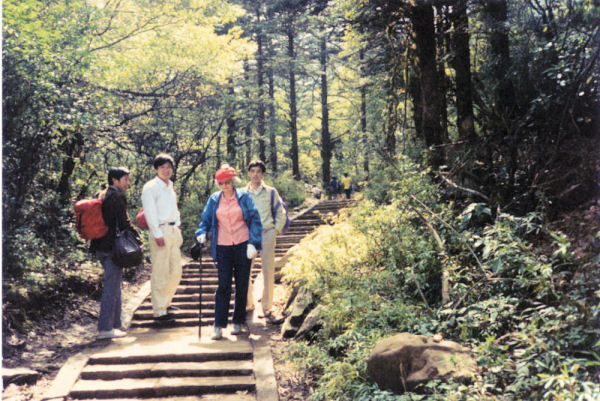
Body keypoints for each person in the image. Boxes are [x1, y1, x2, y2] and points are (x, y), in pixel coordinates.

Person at [196, 165, 262, 340]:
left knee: (242, 285)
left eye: (227, 182)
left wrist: (253, 243)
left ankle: (238, 321)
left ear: (233, 181)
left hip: (242, 244)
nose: (224, 186)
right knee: (223, 285)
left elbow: (255, 219)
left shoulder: (244, 197)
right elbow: (206, 219)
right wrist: (201, 233)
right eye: (221, 183)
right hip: (223, 246)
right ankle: (218, 324)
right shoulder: (214, 199)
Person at [91, 167, 141, 340]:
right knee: (111, 288)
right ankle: (104, 328)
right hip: (112, 248)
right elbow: (124, 222)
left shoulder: (100, 194)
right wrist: (137, 236)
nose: (128, 183)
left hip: (100, 247)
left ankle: (115, 325)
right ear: (115, 180)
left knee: (115, 284)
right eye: (125, 179)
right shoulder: (117, 197)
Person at [141, 153, 183, 323]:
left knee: (175, 271)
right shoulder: (150, 187)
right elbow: (150, 212)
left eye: (168, 167)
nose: (166, 170)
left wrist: (178, 226)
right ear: (156, 169)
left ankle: (165, 303)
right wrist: (157, 233)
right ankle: (159, 311)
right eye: (162, 167)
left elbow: (174, 209)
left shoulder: (170, 187)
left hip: (173, 230)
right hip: (160, 231)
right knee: (160, 272)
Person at [243, 160, 287, 321]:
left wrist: (276, 229)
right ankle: (248, 304)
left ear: (263, 174)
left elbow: (281, 211)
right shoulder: (242, 192)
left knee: (268, 270)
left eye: (258, 171)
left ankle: (267, 307)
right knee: (244, 270)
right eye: (252, 171)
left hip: (267, 233)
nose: (255, 174)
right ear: (248, 173)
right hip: (248, 235)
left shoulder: (271, 192)